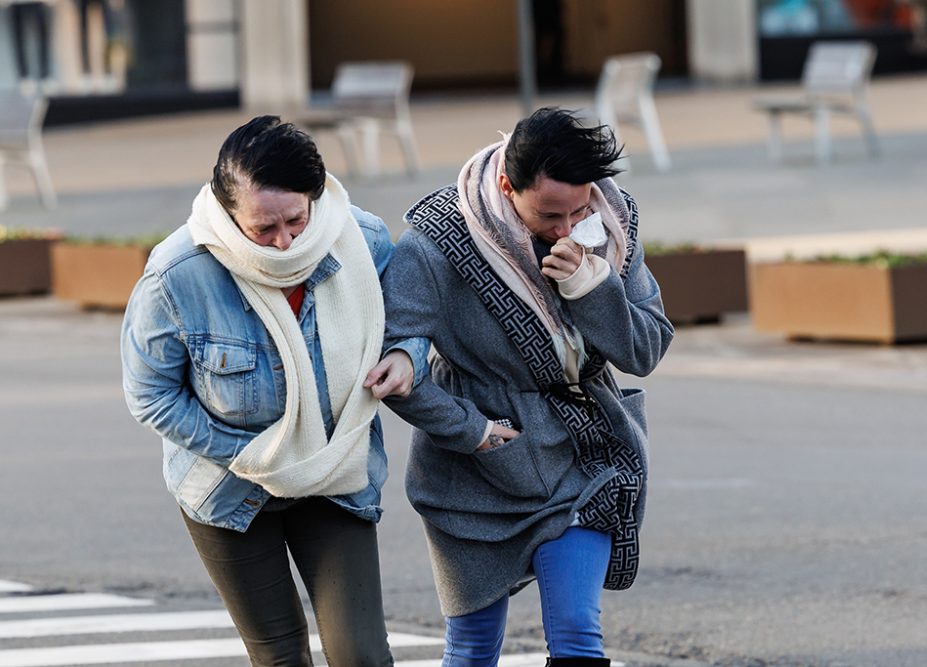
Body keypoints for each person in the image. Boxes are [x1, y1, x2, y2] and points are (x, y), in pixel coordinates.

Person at [121, 115, 428, 667]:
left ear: (316, 198)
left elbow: (410, 321)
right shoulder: (176, 275)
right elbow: (151, 395)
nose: (284, 241)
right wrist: (251, 455)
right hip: (229, 489)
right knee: (280, 656)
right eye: (263, 229)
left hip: (334, 473)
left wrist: (407, 355)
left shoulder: (364, 240)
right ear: (226, 211)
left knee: (362, 655)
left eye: (296, 220)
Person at [381, 107, 674, 666]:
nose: (566, 228)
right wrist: (472, 432)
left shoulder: (613, 220)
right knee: (471, 649)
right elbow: (396, 360)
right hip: (474, 470)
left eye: (578, 208)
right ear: (505, 186)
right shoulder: (437, 240)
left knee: (578, 638)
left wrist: (595, 289)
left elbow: (646, 349)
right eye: (547, 214)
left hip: (582, 456)